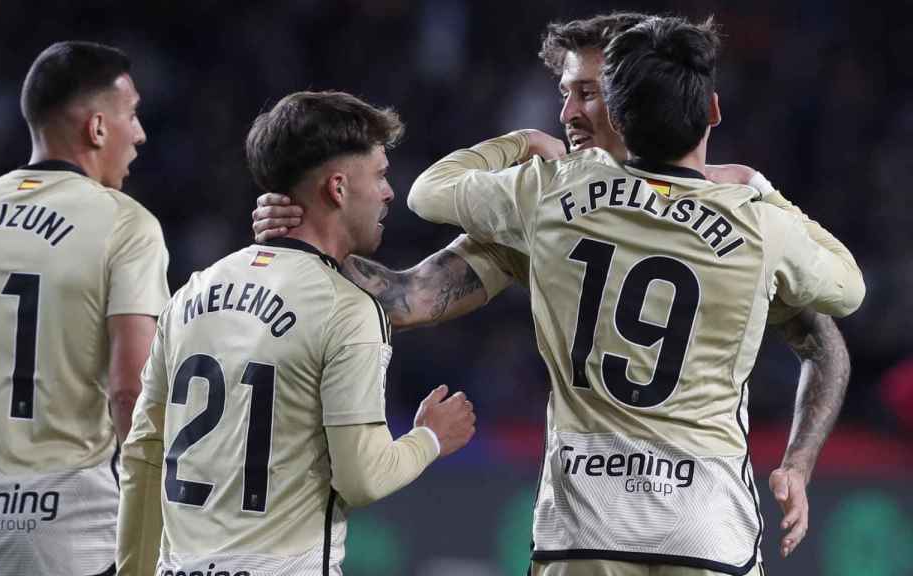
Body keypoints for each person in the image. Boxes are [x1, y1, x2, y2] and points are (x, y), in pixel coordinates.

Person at [253, 11, 851, 560]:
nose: (566, 114)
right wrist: (310, 235)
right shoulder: (738, 213)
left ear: (629, 98)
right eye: (564, 93)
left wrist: (799, 460)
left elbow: (405, 287)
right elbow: (406, 298)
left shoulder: (546, 201)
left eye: (586, 93)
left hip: (584, 529)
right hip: (701, 528)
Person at [116, 91, 476, 576]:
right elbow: (362, 477)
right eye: (381, 175)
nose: (389, 192)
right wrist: (430, 438)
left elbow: (143, 453)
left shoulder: (190, 294)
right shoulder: (348, 310)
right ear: (338, 188)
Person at [0, 41, 169, 575]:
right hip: (72, 544)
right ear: (96, 128)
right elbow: (130, 389)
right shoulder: (125, 226)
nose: (139, 134)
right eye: (131, 116)